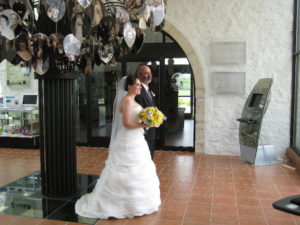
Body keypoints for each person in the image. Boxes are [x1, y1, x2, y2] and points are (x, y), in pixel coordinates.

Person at [75, 76, 161, 219]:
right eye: (137, 85)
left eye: (140, 85)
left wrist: (147, 119)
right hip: (129, 139)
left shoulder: (132, 100)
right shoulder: (127, 101)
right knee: (125, 168)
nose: (140, 87)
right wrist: (144, 125)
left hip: (136, 139)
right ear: (129, 86)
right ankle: (123, 204)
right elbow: (127, 123)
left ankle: (136, 202)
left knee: (138, 169)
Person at [135, 64, 156, 159]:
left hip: (151, 129)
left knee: (150, 154)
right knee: (146, 156)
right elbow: (139, 111)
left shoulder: (147, 89)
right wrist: (147, 123)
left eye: (150, 73)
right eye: (146, 73)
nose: (149, 75)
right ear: (139, 75)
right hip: (144, 131)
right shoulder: (139, 91)